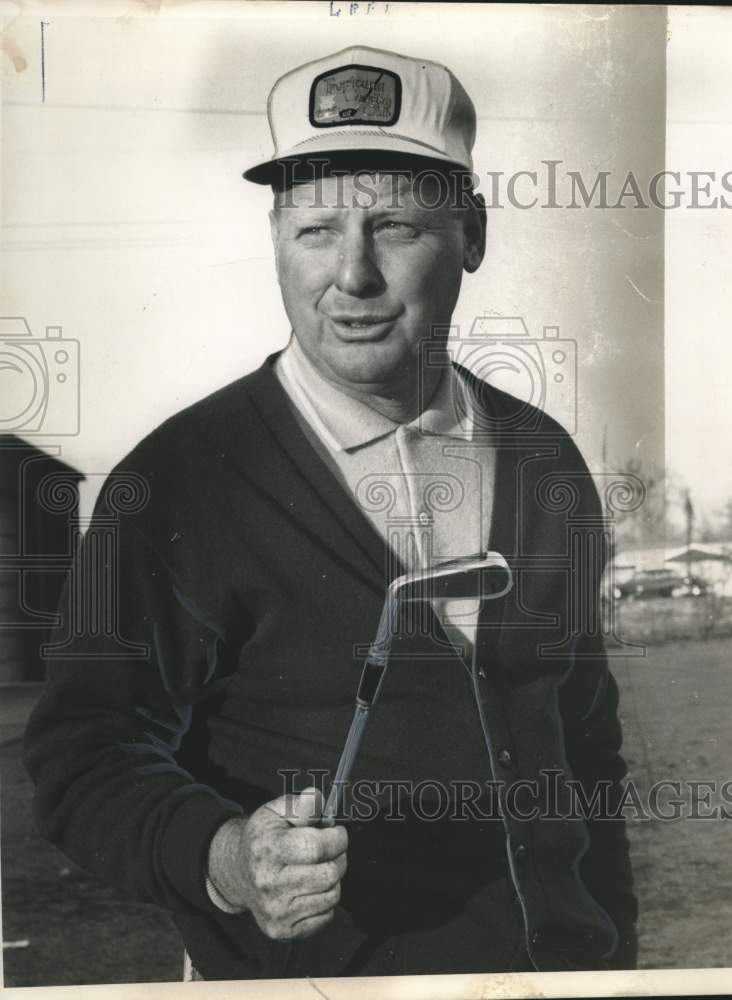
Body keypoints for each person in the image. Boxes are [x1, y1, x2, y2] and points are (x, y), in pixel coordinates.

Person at [23, 45, 637, 980]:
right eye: (314, 230)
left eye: (392, 224)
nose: (350, 275)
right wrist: (229, 858)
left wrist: (619, 955)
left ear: (470, 234)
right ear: (274, 239)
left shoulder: (544, 457)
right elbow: (84, 753)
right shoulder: (180, 480)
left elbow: (587, 744)